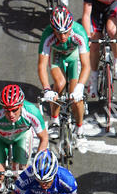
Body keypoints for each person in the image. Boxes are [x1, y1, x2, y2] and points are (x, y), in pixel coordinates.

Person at [38, 7, 91, 140]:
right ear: (53, 28)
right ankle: (54, 120)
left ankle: (79, 125)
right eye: (58, 32)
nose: (62, 37)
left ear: (71, 27)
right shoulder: (47, 34)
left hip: (74, 57)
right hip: (57, 56)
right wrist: (46, 89)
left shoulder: (79, 32)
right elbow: (41, 65)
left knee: (75, 97)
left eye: (66, 32)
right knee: (59, 85)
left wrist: (81, 86)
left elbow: (86, 65)